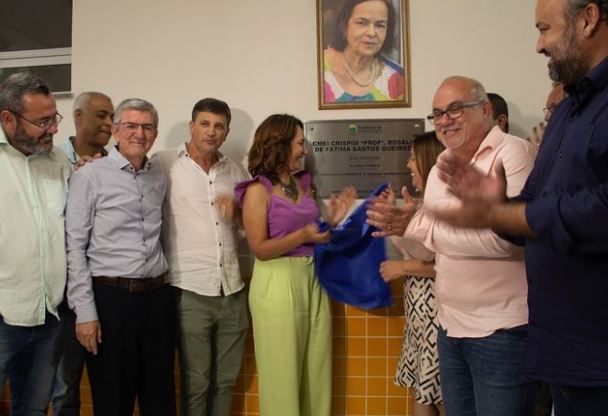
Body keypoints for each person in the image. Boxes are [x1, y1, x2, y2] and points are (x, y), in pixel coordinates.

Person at [430, 1, 608, 414]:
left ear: (588, 19)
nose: (538, 46)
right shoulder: (567, 111)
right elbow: (535, 203)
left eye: (545, 29)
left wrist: (501, 215)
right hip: (562, 352)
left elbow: (599, 209)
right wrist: (497, 206)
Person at [367, 76, 538, 415]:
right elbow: (434, 249)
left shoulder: (513, 153)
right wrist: (402, 226)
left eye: (455, 109)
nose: (444, 120)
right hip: (448, 327)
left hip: (501, 332)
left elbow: (509, 240)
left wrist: (421, 226)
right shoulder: (440, 167)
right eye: (437, 114)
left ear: (486, 109)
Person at [235, 114, 354, 415]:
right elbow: (259, 249)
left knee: (316, 374)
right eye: (300, 143)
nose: (304, 150)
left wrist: (332, 222)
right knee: (282, 379)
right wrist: (303, 235)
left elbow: (314, 234)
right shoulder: (257, 191)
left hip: (313, 279)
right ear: (280, 144)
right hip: (277, 283)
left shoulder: (303, 185)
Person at [66, 98, 176, 415]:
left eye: (147, 127)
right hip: (110, 301)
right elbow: (75, 246)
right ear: (115, 130)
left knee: (160, 399)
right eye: (131, 126)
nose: (139, 134)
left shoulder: (159, 176)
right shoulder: (89, 175)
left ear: (155, 134)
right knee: (113, 400)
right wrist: (85, 313)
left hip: (157, 300)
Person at [153, 98, 249, 416]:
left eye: (219, 126)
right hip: (189, 290)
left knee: (225, 382)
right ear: (191, 126)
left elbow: (249, 229)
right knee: (197, 382)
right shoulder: (164, 163)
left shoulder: (236, 171)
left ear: (227, 132)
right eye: (205, 124)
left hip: (232, 290)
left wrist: (238, 214)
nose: (211, 131)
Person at [0, 73, 70, 414]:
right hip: (4, 315)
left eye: (54, 118)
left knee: (33, 410)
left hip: (48, 315)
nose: (53, 129)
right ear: (8, 119)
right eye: (43, 121)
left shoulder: (58, 162)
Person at [51, 91, 114, 416]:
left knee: (112, 383)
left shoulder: (118, 165)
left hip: (108, 292)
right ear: (78, 116)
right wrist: (80, 180)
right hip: (64, 296)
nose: (109, 123)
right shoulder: (51, 161)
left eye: (112, 117)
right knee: (64, 386)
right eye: (101, 115)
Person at [379, 131, 444, 416]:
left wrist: (402, 267)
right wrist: (393, 213)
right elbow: (413, 247)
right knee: (422, 391)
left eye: (413, 158)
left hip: (436, 315)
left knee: (443, 395)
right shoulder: (420, 204)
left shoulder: (445, 208)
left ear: (429, 162)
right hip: (418, 315)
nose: (408, 165)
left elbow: (443, 262)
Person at [323, 0, 404, 102]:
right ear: (344, 27)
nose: (371, 33)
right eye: (362, 23)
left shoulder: (398, 78)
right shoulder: (314, 66)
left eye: (379, 25)